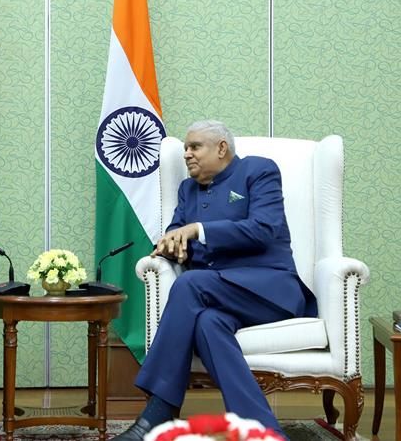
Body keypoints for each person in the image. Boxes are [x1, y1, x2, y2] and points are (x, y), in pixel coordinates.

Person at [113, 120, 317, 441]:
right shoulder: (187, 190)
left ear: (221, 148)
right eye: (185, 149)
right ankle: (266, 433)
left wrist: (197, 230)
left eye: (195, 147)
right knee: (208, 324)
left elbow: (264, 228)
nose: (187, 155)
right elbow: (177, 233)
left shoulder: (258, 171)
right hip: (217, 297)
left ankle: (158, 411)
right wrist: (170, 248)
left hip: (268, 290)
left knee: (190, 284)